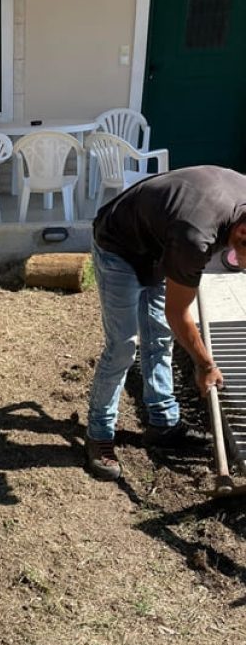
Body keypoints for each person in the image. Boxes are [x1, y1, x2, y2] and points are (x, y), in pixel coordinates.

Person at [85, 165, 246, 481]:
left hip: (160, 242)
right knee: (122, 346)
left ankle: (163, 422)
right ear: (242, 234)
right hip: (119, 244)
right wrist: (205, 364)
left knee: (159, 337)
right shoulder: (194, 237)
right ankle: (99, 433)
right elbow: (179, 314)